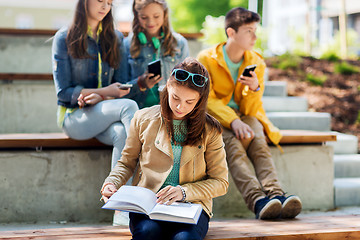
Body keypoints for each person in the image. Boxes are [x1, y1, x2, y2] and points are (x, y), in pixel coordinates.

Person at [101, 57, 229, 240]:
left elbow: (220, 182)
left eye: (190, 102)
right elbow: (127, 162)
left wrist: (184, 192)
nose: (180, 106)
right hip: (148, 205)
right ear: (168, 86)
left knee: (184, 239)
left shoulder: (211, 130)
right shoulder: (143, 119)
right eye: (175, 97)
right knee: (147, 232)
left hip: (191, 207)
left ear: (200, 100)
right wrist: (111, 183)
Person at [197, 7, 302, 220]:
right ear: (231, 33)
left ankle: (276, 194)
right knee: (233, 148)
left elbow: (251, 110)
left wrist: (254, 88)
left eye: (255, 30)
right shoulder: (207, 59)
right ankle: (257, 201)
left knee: (259, 144)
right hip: (216, 118)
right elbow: (207, 99)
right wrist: (233, 121)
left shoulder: (256, 61)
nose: (255, 36)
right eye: (249, 31)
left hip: (246, 116)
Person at [52, 0, 138, 171]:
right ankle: (149, 159)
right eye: (100, 1)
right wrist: (105, 91)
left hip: (104, 112)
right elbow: (63, 93)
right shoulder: (63, 38)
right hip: (74, 116)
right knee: (129, 107)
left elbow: (122, 85)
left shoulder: (116, 37)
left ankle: (118, 195)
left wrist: (102, 96)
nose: (105, 7)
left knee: (121, 133)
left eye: (109, 3)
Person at [124, 0, 189, 109]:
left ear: (165, 14)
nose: (151, 22)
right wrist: (140, 84)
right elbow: (120, 87)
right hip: (139, 110)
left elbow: (187, 83)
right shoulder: (127, 45)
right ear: (136, 16)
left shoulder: (179, 43)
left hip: (170, 111)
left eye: (156, 16)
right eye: (144, 17)